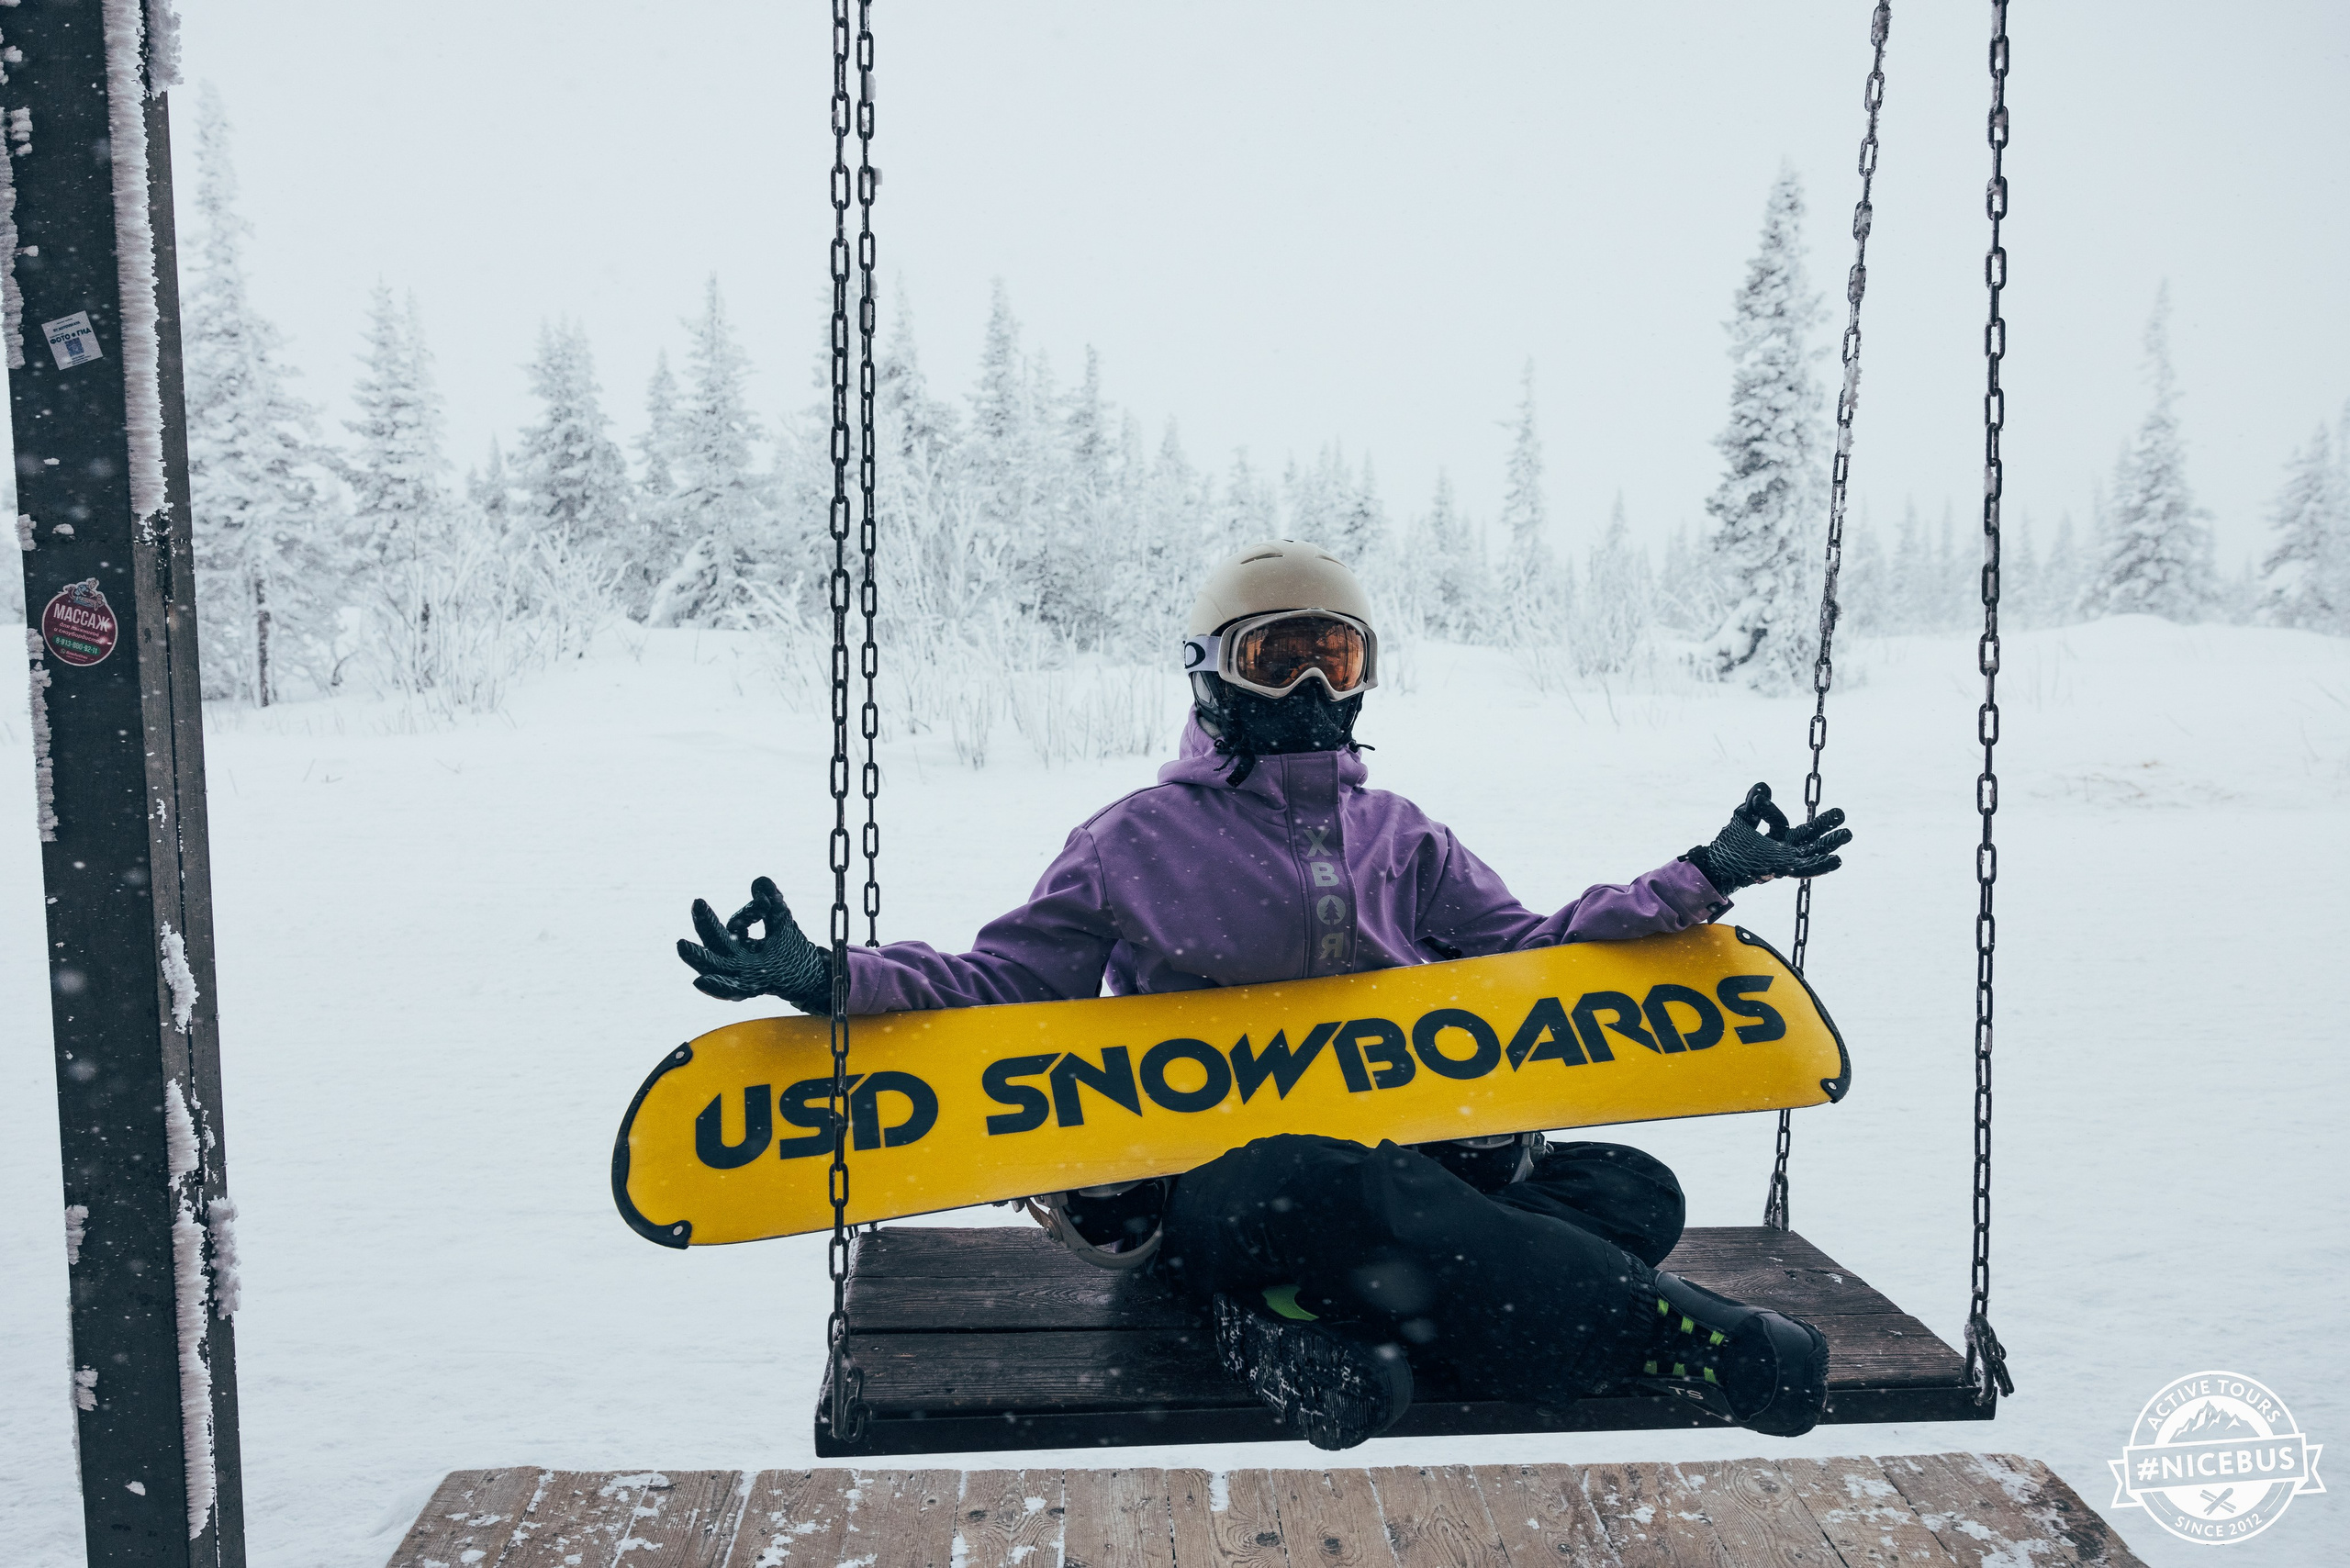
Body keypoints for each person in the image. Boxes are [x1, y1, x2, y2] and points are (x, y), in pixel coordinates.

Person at [677, 540, 1854, 1450]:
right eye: (1272, 655)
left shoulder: (1401, 834)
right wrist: (826, 977)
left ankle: (1287, 1324)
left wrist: (1698, 880)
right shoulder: (1132, 839)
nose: (1304, 683)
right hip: (1221, 1182)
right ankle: (1653, 1327)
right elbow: (1000, 986)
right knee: (1299, 1173)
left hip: (1415, 1167)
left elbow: (1534, 954)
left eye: (1331, 656)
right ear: (1214, 676)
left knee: (1630, 1185)